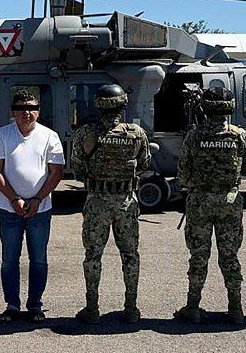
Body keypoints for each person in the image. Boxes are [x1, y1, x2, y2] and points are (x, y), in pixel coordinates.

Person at [173, 87, 246, 325]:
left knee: (199, 256)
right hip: (229, 203)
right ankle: (236, 309)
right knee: (229, 256)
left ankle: (193, 307)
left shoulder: (194, 135)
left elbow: (183, 174)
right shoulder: (239, 135)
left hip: (200, 202)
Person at [71, 84, 150, 324]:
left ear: (98, 105)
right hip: (126, 202)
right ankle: (131, 309)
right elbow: (144, 163)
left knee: (93, 256)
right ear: (123, 105)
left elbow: (77, 168)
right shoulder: (136, 133)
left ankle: (92, 309)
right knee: (130, 255)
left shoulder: (85, 133)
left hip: (97, 202)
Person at [0, 90, 64, 323]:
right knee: (9, 260)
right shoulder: (2, 134)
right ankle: (12, 305)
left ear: (38, 111)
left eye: (31, 108)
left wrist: (38, 199)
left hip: (40, 210)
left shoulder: (50, 136)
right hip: (8, 208)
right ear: (13, 112)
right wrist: (14, 200)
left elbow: (56, 172)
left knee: (38, 260)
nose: (26, 113)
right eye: (21, 109)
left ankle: (35, 305)